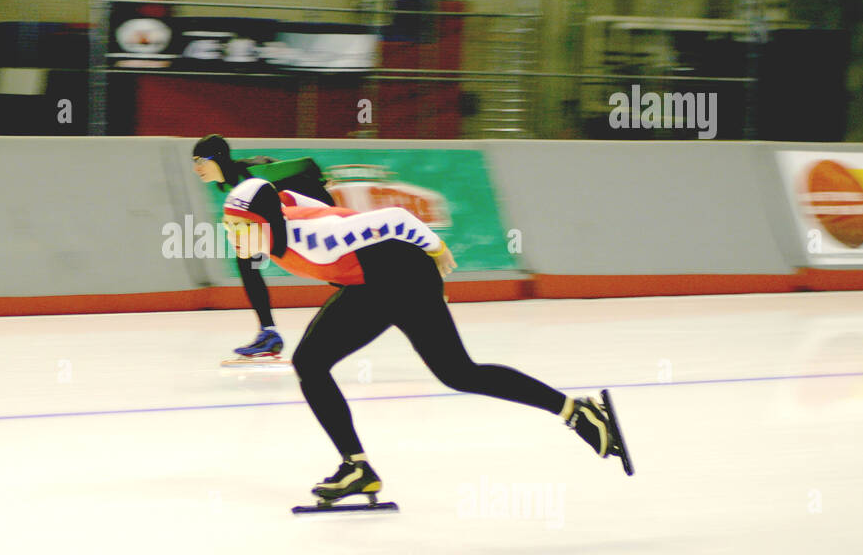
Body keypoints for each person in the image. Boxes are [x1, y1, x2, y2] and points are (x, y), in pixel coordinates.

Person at [220, 176, 632, 502]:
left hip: (403, 275)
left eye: (242, 227)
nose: (234, 236)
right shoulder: (280, 219)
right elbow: (287, 197)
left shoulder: (317, 239)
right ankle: (357, 467)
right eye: (230, 227)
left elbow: (396, 219)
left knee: (458, 372)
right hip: (372, 280)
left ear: (266, 224)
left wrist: (437, 253)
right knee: (312, 363)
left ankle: (578, 412)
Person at [191, 134, 333, 361]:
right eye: (194, 162)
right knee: (245, 258)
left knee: (247, 258)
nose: (196, 168)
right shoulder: (231, 181)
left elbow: (307, 163)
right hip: (289, 214)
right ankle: (268, 333)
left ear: (217, 158)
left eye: (200, 161)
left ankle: (269, 332)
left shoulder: (253, 172)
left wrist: (323, 182)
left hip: (316, 211)